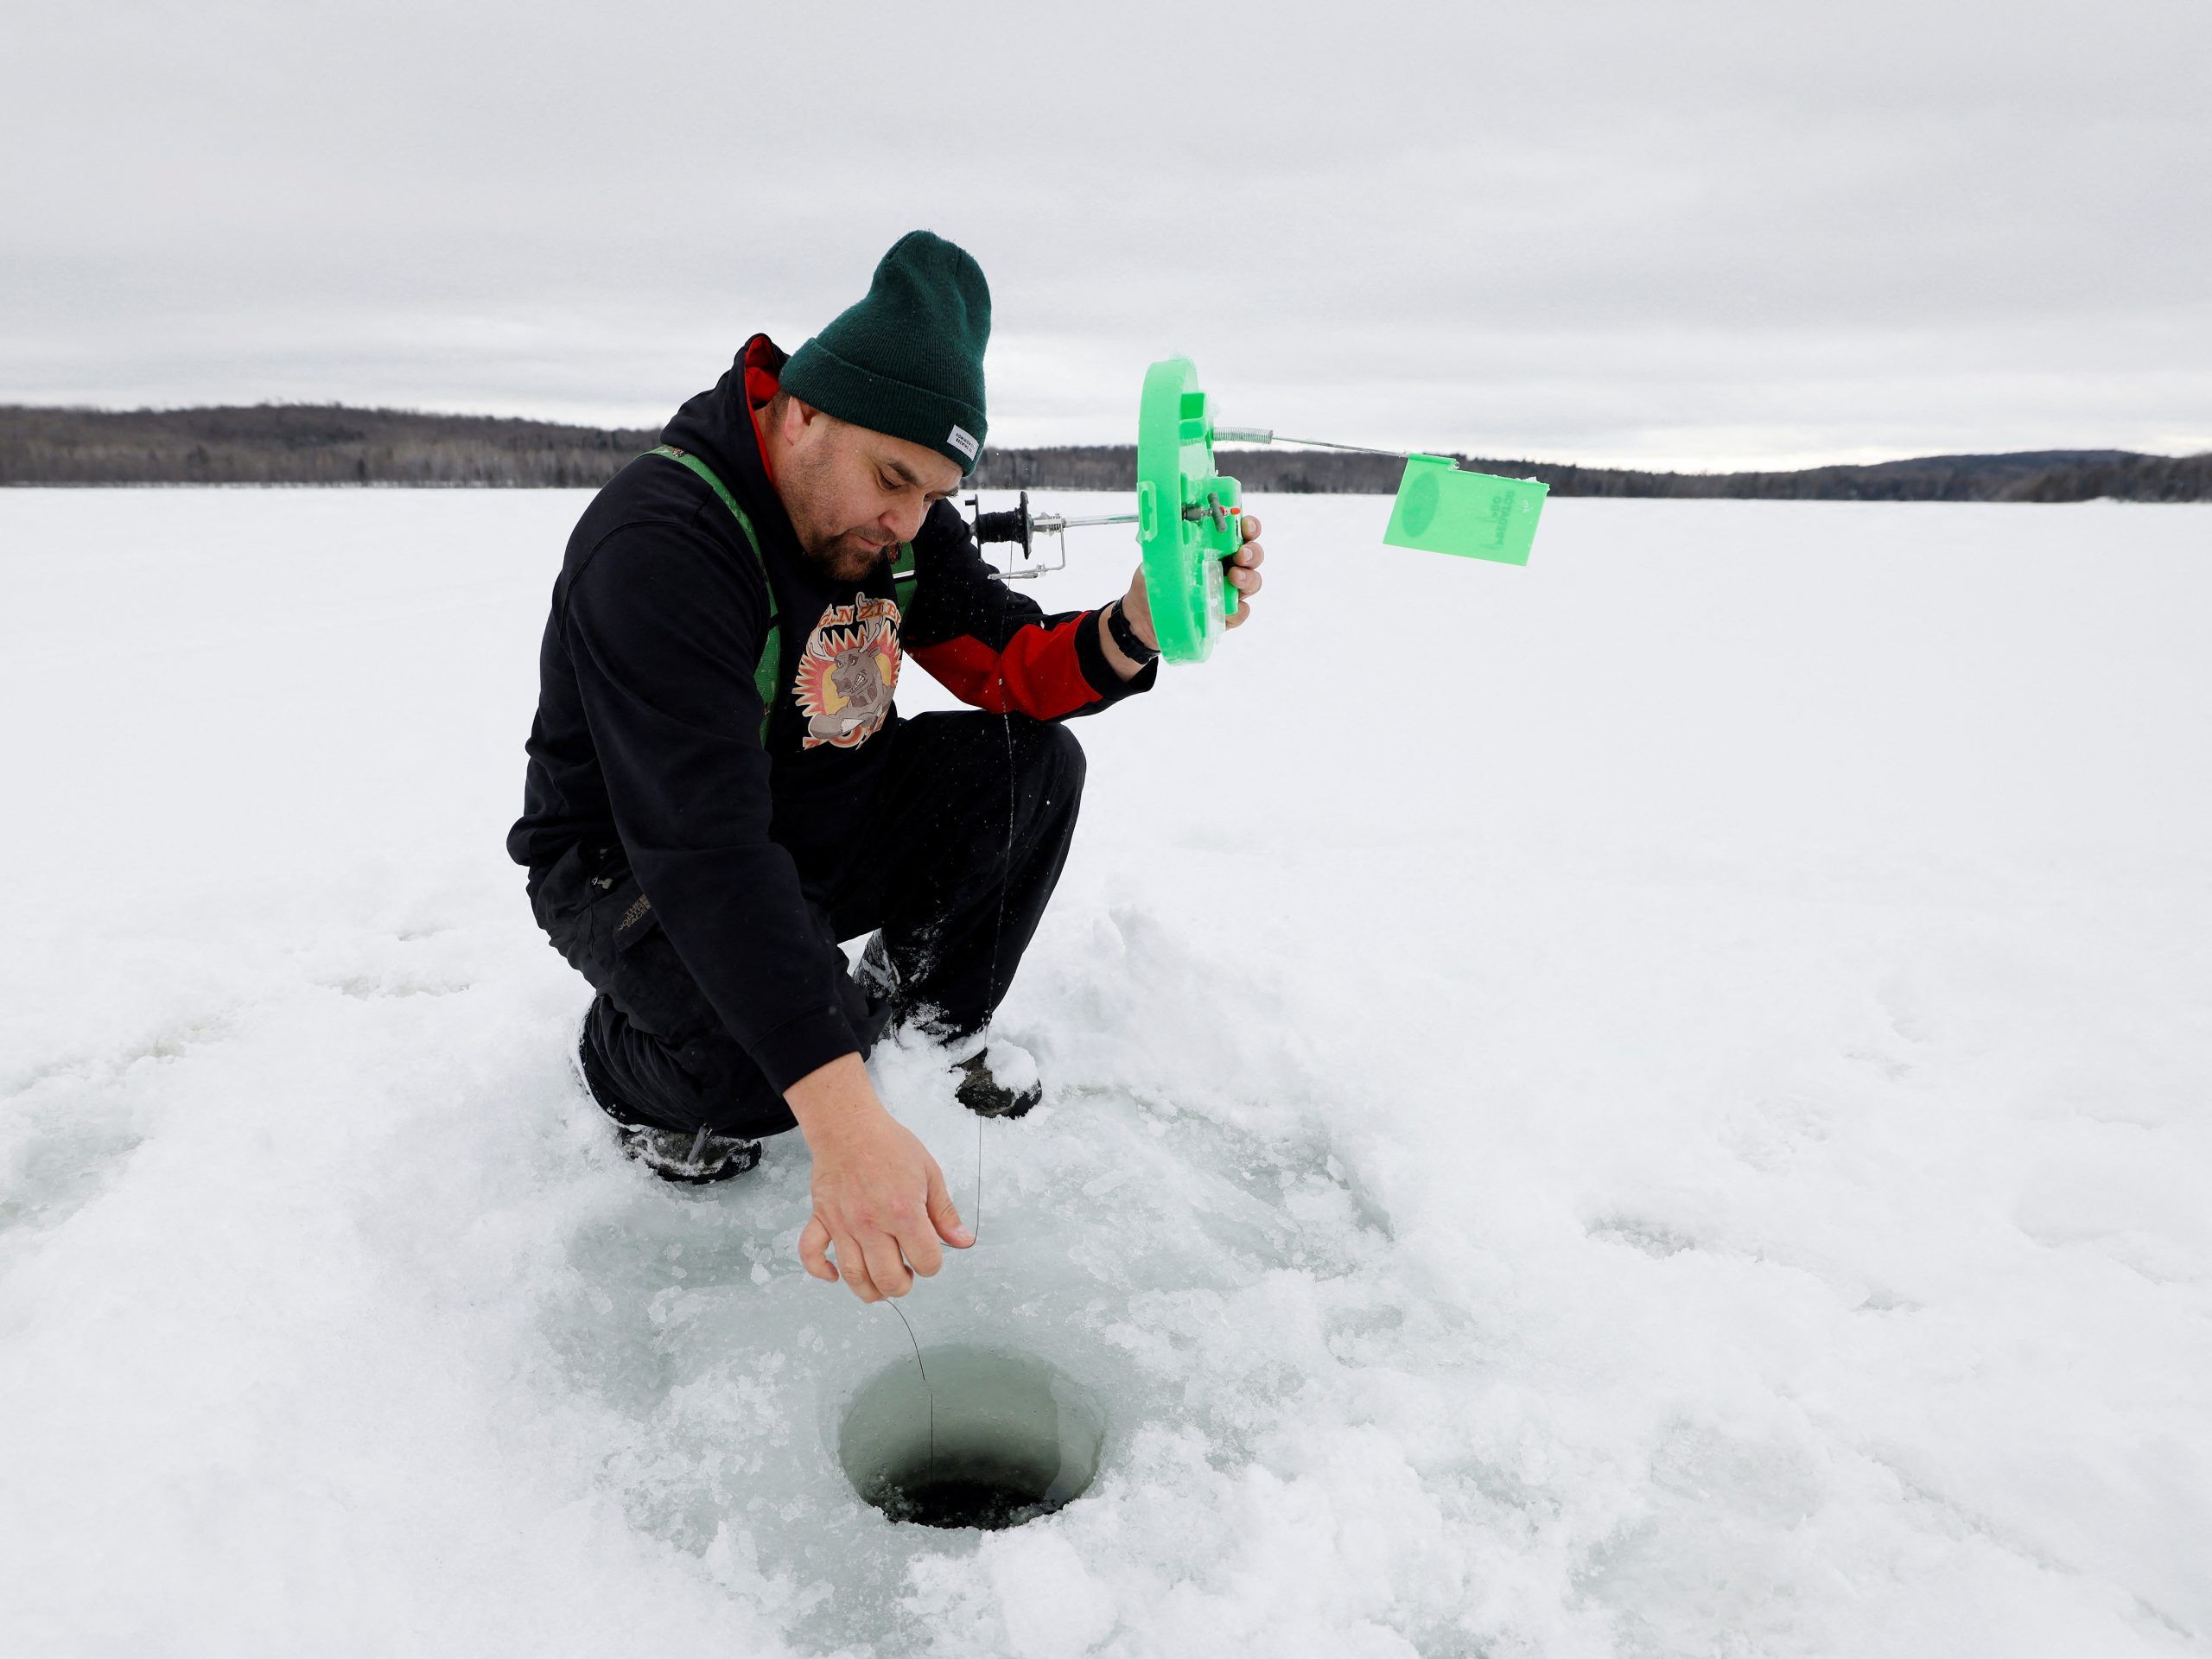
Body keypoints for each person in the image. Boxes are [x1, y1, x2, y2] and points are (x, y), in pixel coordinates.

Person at [507, 230, 1264, 1304]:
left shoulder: (895, 528)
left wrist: (1137, 627)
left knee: (1032, 766)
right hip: (632, 864)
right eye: (893, 480)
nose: (907, 522)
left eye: (933, 495)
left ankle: (920, 1036)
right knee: (758, 1076)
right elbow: (704, 847)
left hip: (818, 815)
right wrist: (839, 1116)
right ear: (802, 414)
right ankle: (625, 1066)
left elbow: (1004, 662)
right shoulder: (661, 544)